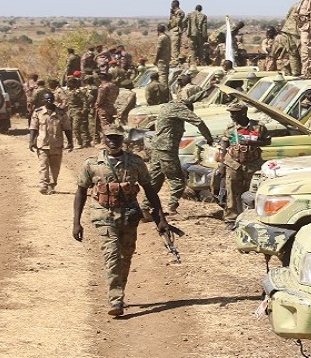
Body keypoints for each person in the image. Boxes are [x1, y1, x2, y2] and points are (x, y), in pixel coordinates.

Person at [73, 125, 171, 317]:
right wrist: (76, 222)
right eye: (109, 137)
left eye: (117, 138)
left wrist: (160, 218)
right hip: (104, 217)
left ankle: (119, 291)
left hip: (129, 217)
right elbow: (81, 192)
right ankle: (115, 300)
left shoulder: (135, 162)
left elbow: (149, 189)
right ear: (103, 138)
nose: (113, 141)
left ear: (123, 139)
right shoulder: (92, 163)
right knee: (112, 257)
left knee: (126, 257)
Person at [148, 86, 215, 215]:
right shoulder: (180, 108)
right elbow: (198, 122)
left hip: (157, 148)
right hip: (167, 149)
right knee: (178, 181)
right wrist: (209, 139)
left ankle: (145, 208)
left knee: (155, 179)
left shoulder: (171, 105)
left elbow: (191, 99)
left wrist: (208, 90)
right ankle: (171, 208)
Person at [217, 102, 272, 221]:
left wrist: (252, 143)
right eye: (231, 113)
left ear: (243, 113)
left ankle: (252, 216)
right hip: (233, 164)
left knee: (253, 192)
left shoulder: (258, 127)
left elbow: (267, 141)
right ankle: (231, 219)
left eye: (234, 113)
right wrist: (221, 165)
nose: (231, 116)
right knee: (231, 191)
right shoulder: (230, 128)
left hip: (252, 164)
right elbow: (224, 145)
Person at [28, 90, 74, 194]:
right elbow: (33, 128)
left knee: (55, 167)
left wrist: (70, 142)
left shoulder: (61, 113)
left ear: (54, 100)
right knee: (43, 165)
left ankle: (52, 185)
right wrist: (31, 141)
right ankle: (43, 185)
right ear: (43, 101)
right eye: (46, 98)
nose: (49, 100)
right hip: (42, 144)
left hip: (56, 145)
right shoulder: (38, 112)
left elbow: (67, 128)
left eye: (51, 98)